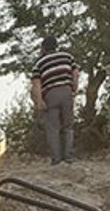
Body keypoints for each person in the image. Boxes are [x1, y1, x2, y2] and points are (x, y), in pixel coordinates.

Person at [31, 36, 79, 165]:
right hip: (66, 91)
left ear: (43, 48)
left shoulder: (39, 63)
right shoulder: (67, 56)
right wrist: (74, 86)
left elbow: (37, 84)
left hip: (51, 94)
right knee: (68, 126)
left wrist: (39, 101)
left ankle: (56, 160)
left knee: (53, 128)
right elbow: (75, 72)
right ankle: (68, 158)